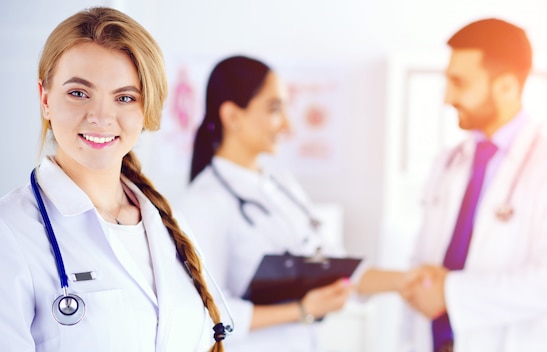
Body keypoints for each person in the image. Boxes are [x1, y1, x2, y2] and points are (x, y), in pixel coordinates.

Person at [0, 7, 228, 352]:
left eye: (125, 98)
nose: (101, 117)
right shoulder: (11, 231)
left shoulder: (169, 224)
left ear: (146, 107)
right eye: (79, 93)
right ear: (45, 99)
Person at [178, 55, 406, 351]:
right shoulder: (201, 202)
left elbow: (334, 266)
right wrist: (301, 310)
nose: (287, 124)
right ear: (232, 116)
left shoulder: (283, 186)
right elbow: (206, 313)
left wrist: (407, 281)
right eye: (275, 109)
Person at [399, 18, 547, 352]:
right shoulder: (448, 162)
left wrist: (451, 294)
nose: (447, 97)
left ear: (506, 86)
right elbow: (424, 261)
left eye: (459, 82)